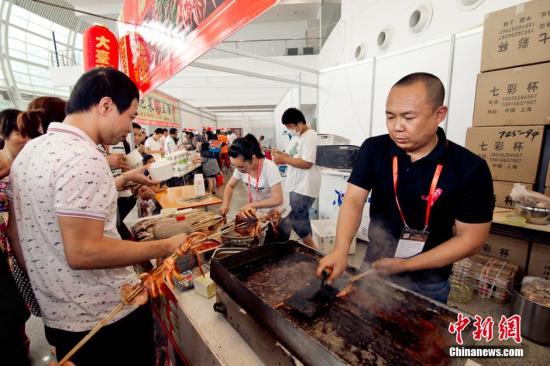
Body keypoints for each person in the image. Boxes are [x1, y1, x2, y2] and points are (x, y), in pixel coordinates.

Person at [7, 67, 188, 366]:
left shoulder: (29, 152)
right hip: (106, 318)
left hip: (59, 317)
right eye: (130, 116)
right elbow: (85, 251)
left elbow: (16, 233)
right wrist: (166, 246)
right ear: (105, 105)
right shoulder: (85, 157)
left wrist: (51, 286)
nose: (129, 129)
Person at [317, 73, 494, 303]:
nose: (397, 127)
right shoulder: (374, 149)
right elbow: (353, 200)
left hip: (429, 282)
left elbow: (472, 239)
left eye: (408, 117)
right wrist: (340, 250)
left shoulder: (470, 168)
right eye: (390, 117)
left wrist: (407, 264)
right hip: (374, 269)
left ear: (439, 114)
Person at [0, 110, 30, 366]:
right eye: (21, 133)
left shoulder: (23, 168)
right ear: (4, 133)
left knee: (17, 318)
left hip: (18, 257)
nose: (27, 139)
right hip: (7, 258)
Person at [221, 134, 289, 243]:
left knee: (276, 250)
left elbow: (277, 199)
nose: (238, 170)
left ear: (253, 158)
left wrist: (252, 204)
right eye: (235, 166)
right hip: (261, 215)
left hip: (278, 216)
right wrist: (225, 204)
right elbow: (230, 185)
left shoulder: (269, 168)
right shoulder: (240, 168)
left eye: (241, 167)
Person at [273, 108, 320, 248]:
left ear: (300, 123)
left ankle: (312, 249)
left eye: (290, 126)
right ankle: (312, 250)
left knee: (295, 220)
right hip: (295, 184)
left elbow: (307, 163)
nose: (289, 130)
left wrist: (284, 159)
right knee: (302, 219)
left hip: (305, 185)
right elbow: (290, 155)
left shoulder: (311, 136)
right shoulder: (296, 136)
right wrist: (280, 154)